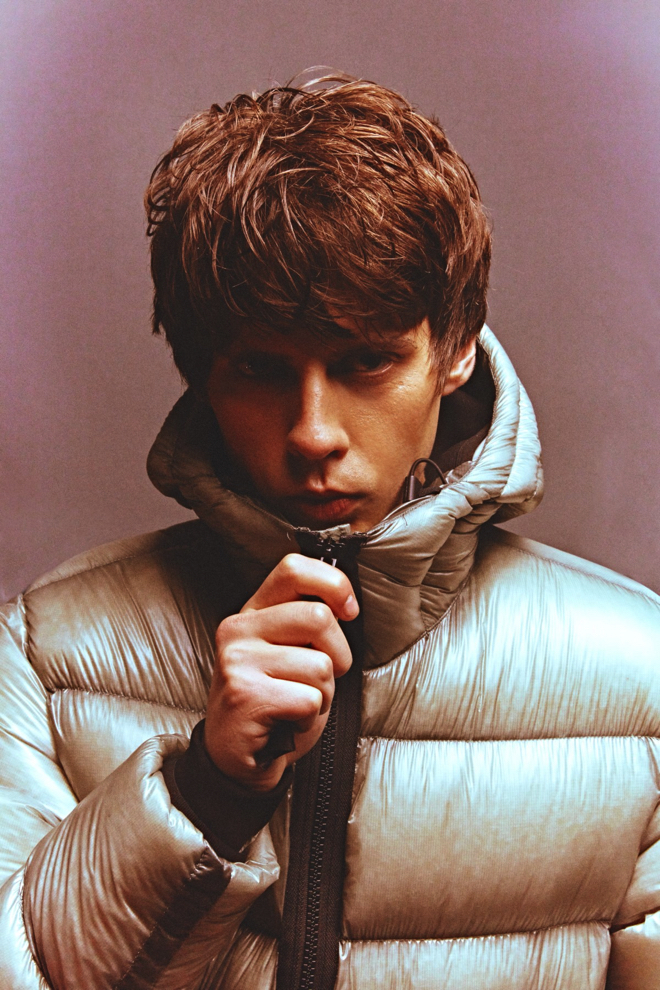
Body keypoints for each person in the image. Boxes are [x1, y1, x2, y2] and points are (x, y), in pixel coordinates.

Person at [0, 72, 659, 990]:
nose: (313, 432)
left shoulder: (642, 681)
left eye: (367, 362)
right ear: (198, 371)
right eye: (261, 370)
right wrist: (204, 792)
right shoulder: (44, 657)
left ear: (456, 348)